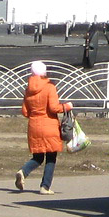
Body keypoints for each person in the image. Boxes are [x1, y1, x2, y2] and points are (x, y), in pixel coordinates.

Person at [14, 60, 73, 195]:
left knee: (38, 157)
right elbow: (53, 108)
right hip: (49, 126)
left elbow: (25, 112)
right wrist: (67, 106)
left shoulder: (28, 90)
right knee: (51, 157)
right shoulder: (49, 87)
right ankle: (45, 186)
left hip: (34, 126)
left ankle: (23, 171)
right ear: (44, 72)